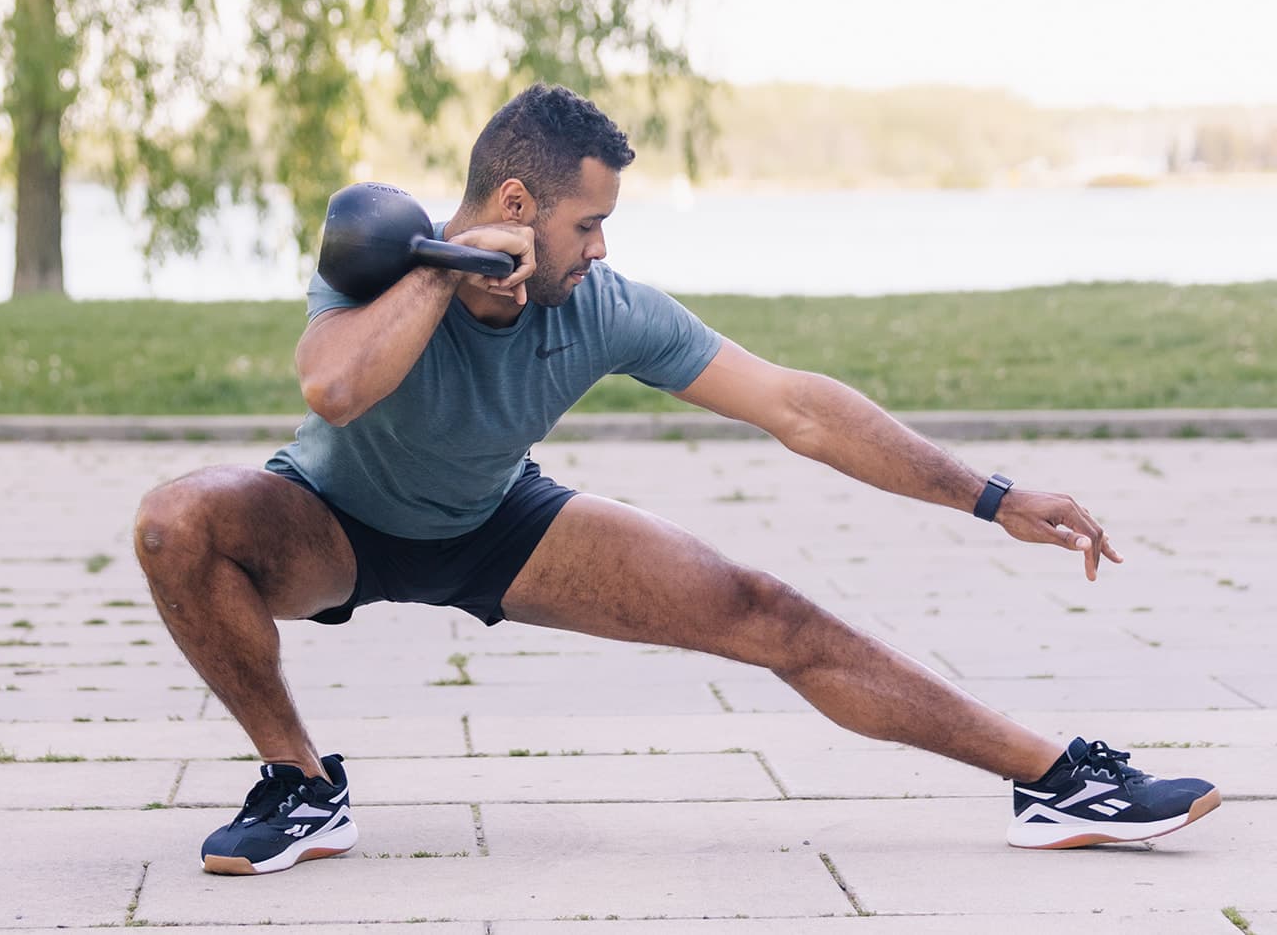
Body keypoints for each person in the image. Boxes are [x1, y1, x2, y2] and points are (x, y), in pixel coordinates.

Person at [133, 83, 1220, 877]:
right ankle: (303, 786)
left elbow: (795, 404)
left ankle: (1057, 777)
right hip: (327, 521)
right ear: (514, 202)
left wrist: (990, 493)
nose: (600, 248)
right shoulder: (374, 259)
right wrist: (445, 267)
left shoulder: (607, 308)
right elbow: (334, 391)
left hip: (494, 521)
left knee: (765, 608)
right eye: (586, 223)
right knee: (177, 519)